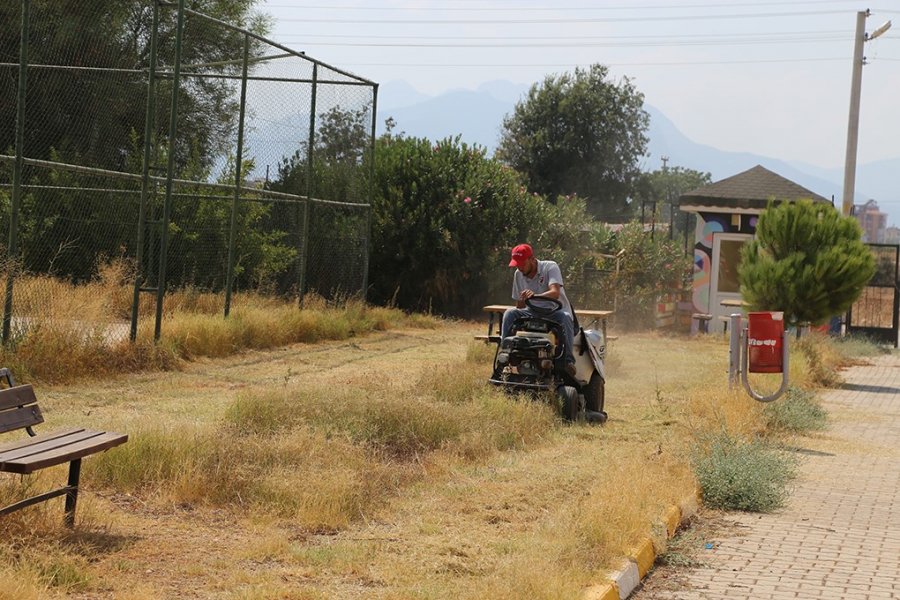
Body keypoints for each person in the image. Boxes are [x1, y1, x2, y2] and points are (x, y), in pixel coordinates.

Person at [501, 243, 577, 375]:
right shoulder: (518, 274)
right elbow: (520, 304)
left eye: (522, 264)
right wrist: (520, 306)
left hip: (554, 312)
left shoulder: (550, 267)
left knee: (565, 317)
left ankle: (567, 361)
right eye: (517, 264)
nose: (519, 267)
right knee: (510, 313)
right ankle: (505, 356)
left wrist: (535, 296)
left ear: (532, 259)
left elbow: (555, 292)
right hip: (531, 312)